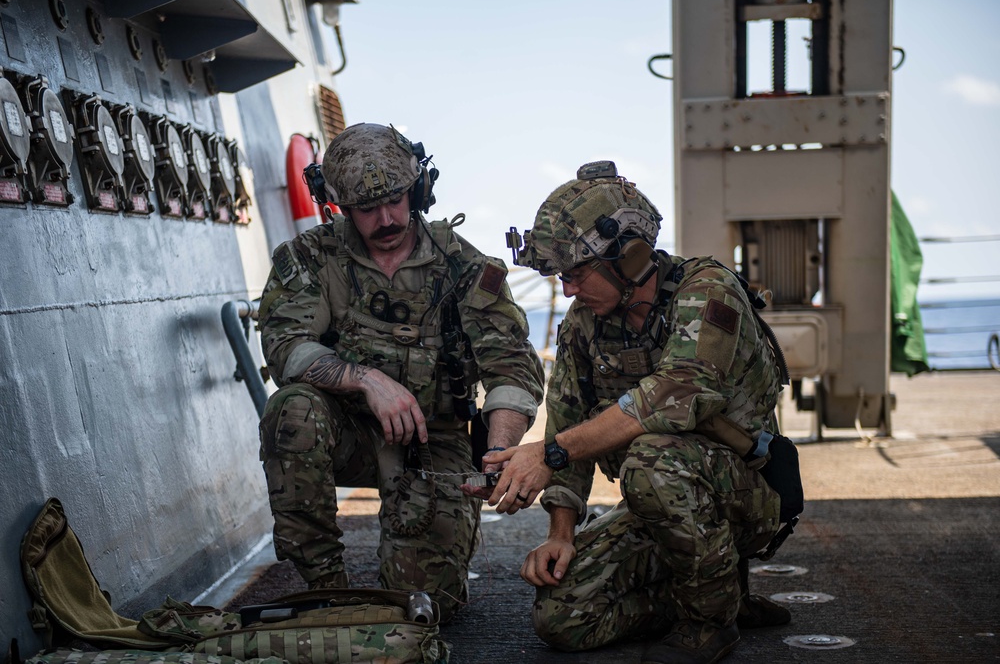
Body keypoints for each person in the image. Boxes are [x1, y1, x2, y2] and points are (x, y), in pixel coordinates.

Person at [487, 161, 794, 662]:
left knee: (652, 457)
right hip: (664, 502)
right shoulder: (584, 326)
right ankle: (721, 597)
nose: (567, 291)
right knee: (561, 618)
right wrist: (561, 535)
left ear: (629, 258)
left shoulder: (707, 292)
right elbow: (568, 429)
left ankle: (710, 624)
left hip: (747, 497)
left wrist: (551, 452)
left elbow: (677, 391)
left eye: (576, 274)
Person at [256, 122, 544, 621]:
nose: (386, 218)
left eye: (396, 199)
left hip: (436, 441)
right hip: (347, 433)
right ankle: (326, 594)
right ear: (339, 206)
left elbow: (512, 369)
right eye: (366, 208)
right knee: (291, 411)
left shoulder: (466, 267)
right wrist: (366, 380)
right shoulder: (308, 258)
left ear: (419, 190)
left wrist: (498, 451)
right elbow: (285, 347)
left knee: (427, 605)